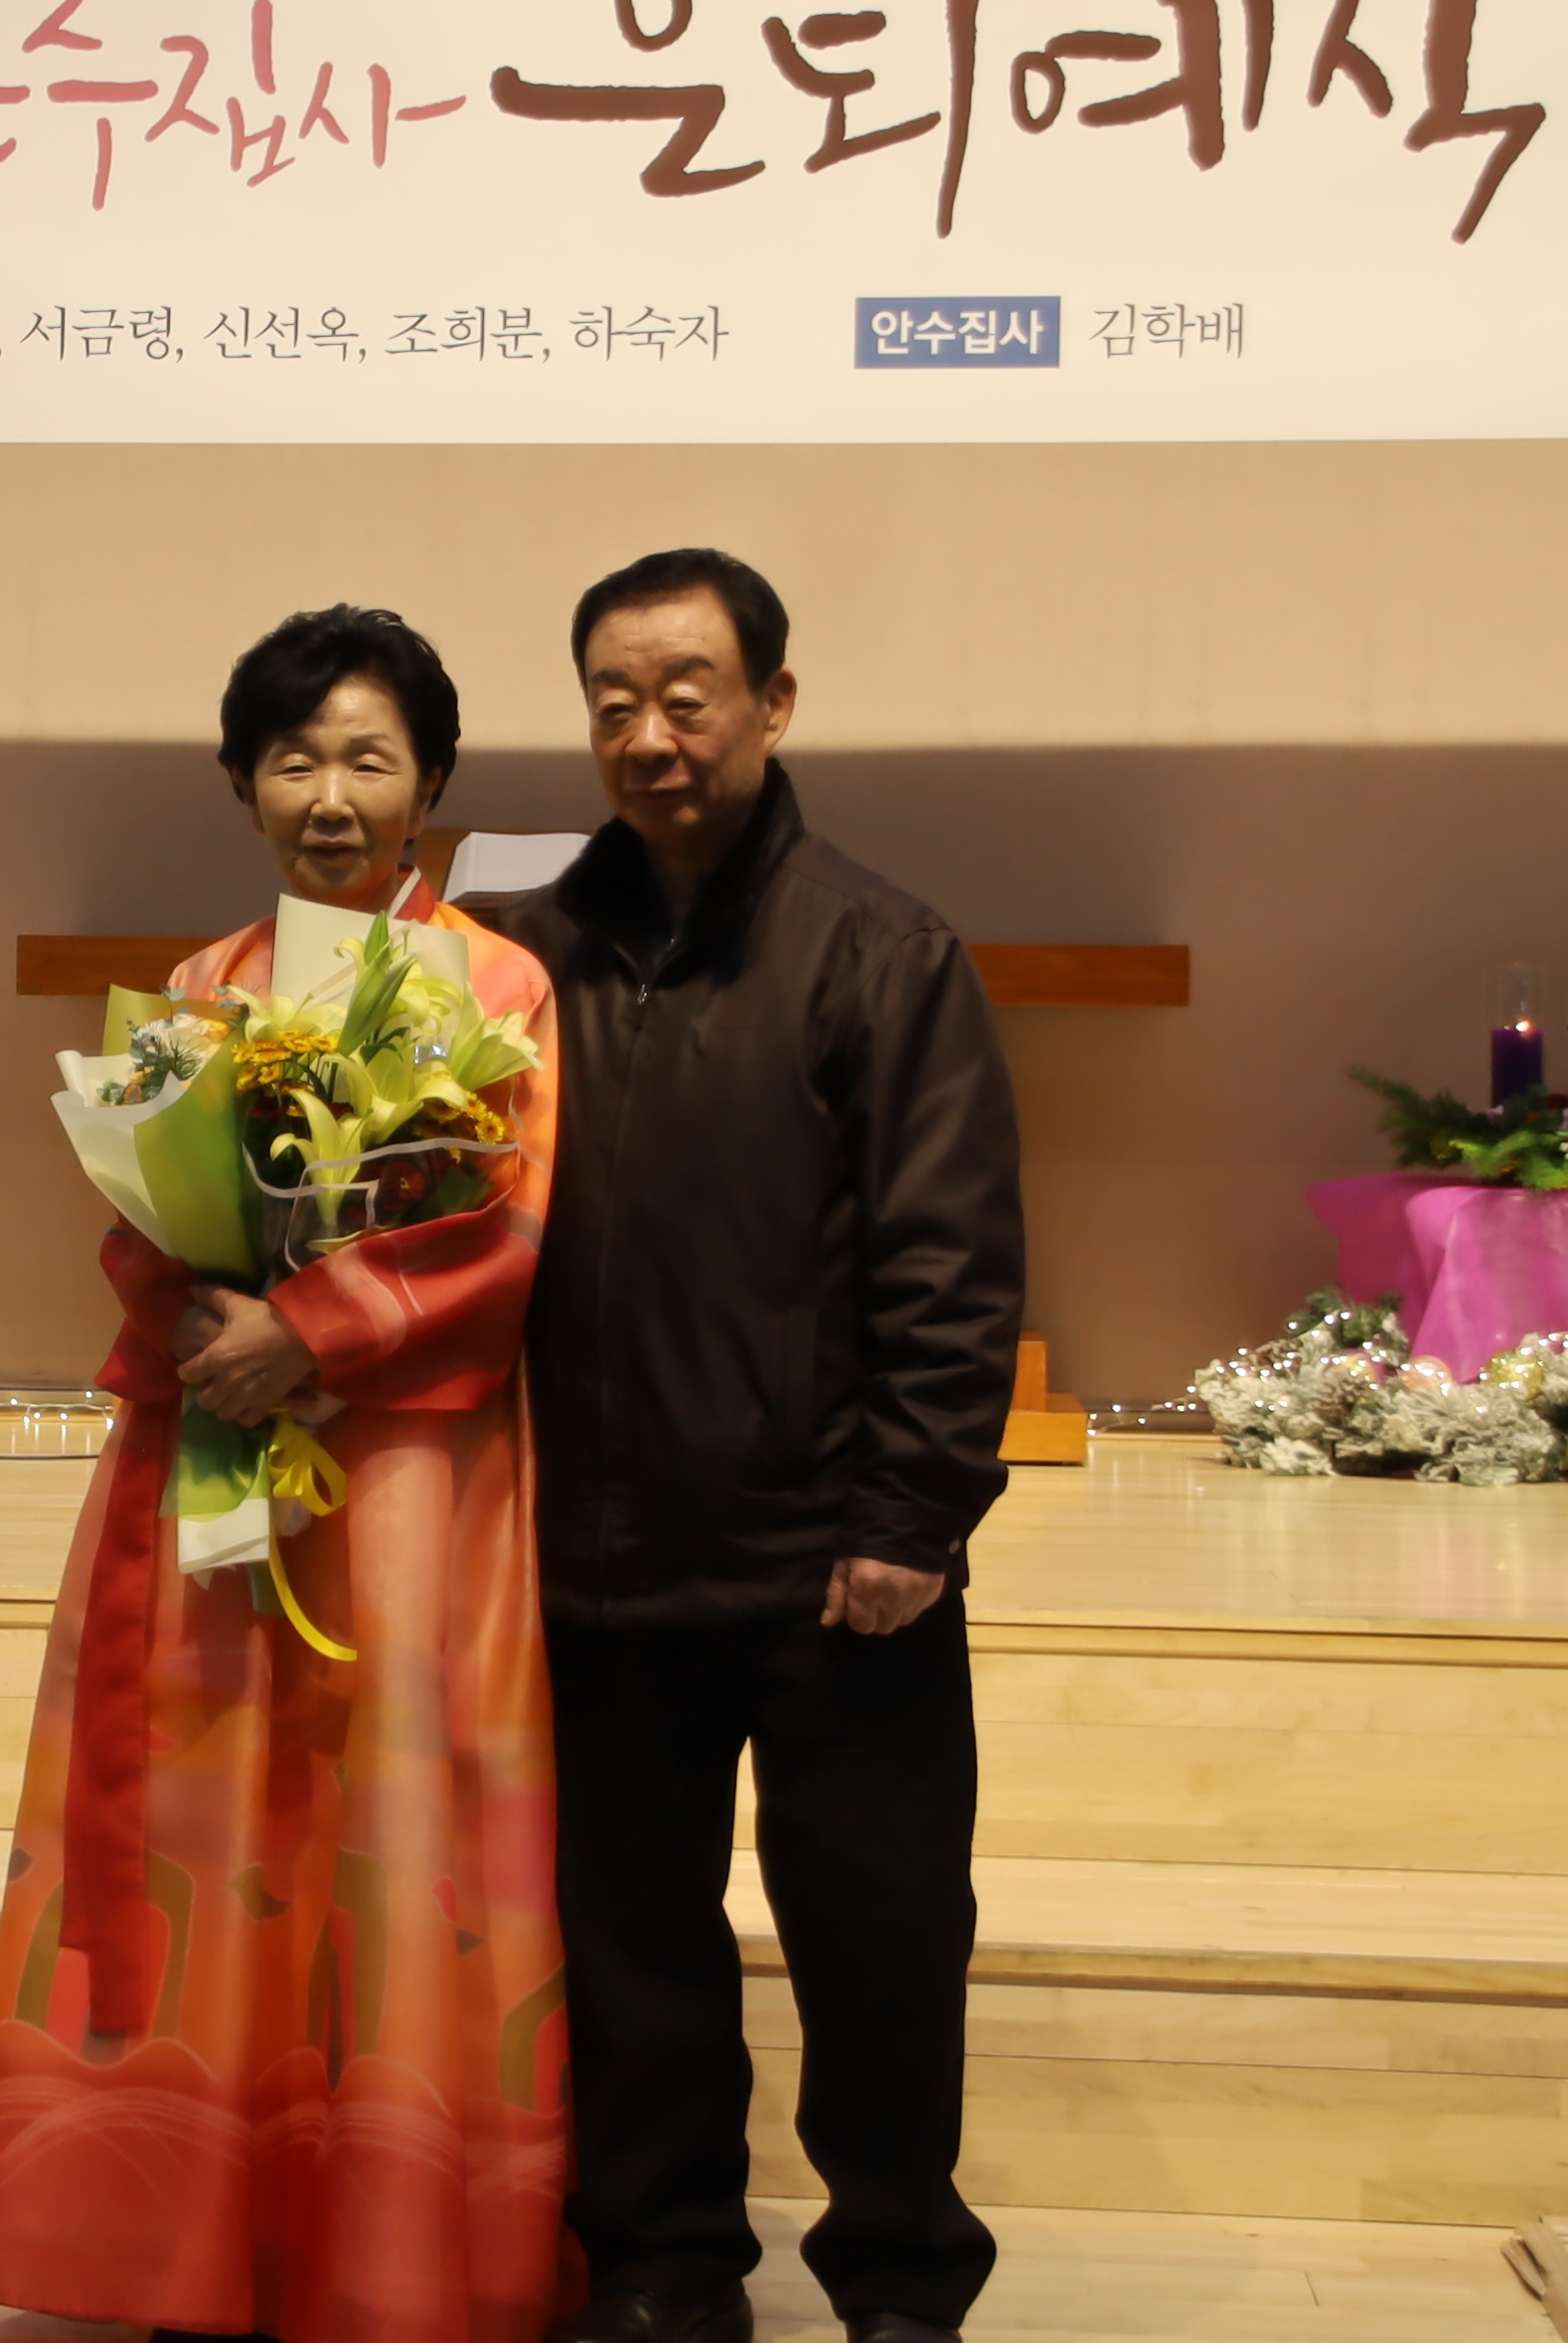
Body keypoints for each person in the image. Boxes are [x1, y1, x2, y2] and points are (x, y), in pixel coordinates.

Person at [0, 604, 571, 2343]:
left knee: (392, 1824)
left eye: (369, 758)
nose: (330, 795)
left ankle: (391, 2251)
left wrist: (316, 1326)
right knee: (218, 1815)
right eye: (294, 759)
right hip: (222, 1453)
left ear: (430, 785)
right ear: (242, 782)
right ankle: (192, 2243)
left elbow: (510, 1230)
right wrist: (202, 1315)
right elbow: (137, 1224)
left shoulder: (500, 990)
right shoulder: (200, 993)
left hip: (413, 1482)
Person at [495, 549, 1025, 2343]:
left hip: (832, 1564)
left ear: (774, 706)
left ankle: (900, 2278)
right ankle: (663, 2269)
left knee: (882, 1940)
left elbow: (951, 1257)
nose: (650, 735)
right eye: (614, 704)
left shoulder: (884, 951)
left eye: (688, 695)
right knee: (631, 1942)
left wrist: (911, 1512)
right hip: (599, 1553)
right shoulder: (524, 963)